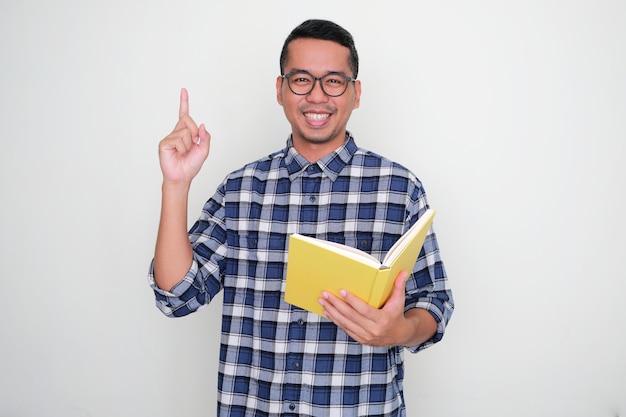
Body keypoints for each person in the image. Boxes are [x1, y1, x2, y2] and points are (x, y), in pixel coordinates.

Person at [149, 18, 454, 417]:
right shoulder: (241, 188)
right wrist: (176, 185)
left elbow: (434, 301)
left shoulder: (399, 188)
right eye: (301, 80)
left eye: (333, 81)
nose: (317, 96)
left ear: (355, 93)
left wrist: (399, 331)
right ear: (280, 89)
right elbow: (177, 295)